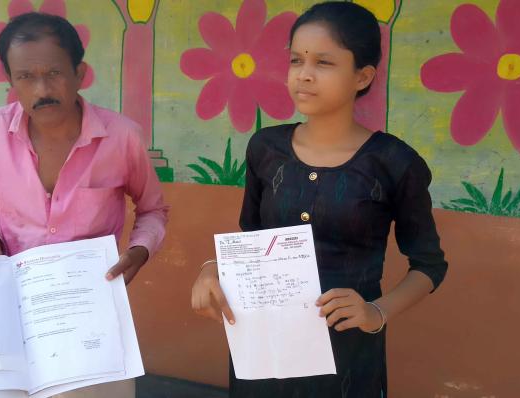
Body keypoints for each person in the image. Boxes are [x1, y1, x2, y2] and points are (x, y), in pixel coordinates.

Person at [190, 2, 448, 397]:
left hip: (347, 355)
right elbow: (250, 239)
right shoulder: (266, 148)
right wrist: (212, 269)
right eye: (296, 60)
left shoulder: (395, 163)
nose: (304, 75)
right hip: (264, 348)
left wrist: (375, 311)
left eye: (324, 63)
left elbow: (429, 266)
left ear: (362, 76)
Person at [0, 12, 168, 398]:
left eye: (54, 73)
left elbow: (153, 210)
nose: (42, 89)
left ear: (80, 73)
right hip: (12, 303)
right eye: (25, 77)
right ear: (9, 80)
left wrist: (139, 250)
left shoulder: (121, 137)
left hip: (91, 309)